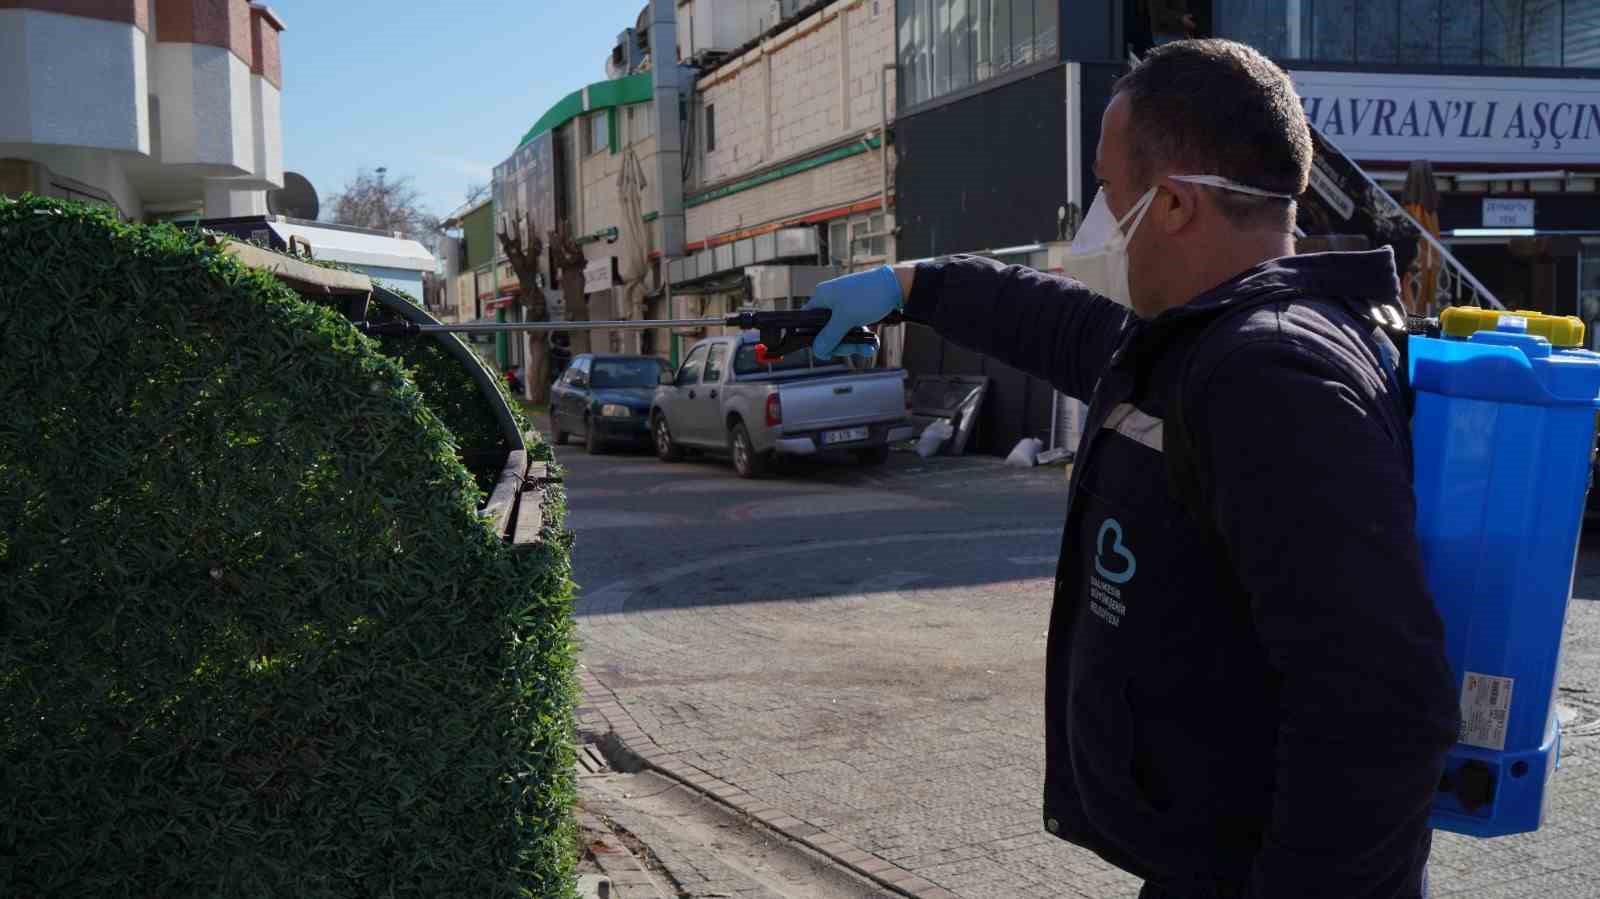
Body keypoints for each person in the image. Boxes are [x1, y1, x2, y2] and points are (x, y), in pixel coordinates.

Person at [805, 40, 1458, 899]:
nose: (1097, 222)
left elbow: (1382, 709)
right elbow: (1057, 323)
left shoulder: (1270, 378)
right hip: (1203, 865)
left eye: (1109, 191)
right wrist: (910, 285)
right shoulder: (1208, 342)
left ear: (1177, 203)